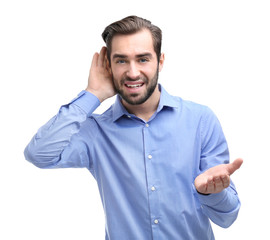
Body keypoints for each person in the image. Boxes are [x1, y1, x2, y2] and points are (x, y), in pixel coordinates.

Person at [24, 15, 243, 240]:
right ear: (108, 66)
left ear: (160, 61)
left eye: (143, 59)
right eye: (121, 60)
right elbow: (39, 154)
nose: (132, 72)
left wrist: (210, 193)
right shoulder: (96, 131)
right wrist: (93, 95)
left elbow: (228, 218)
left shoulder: (200, 120)